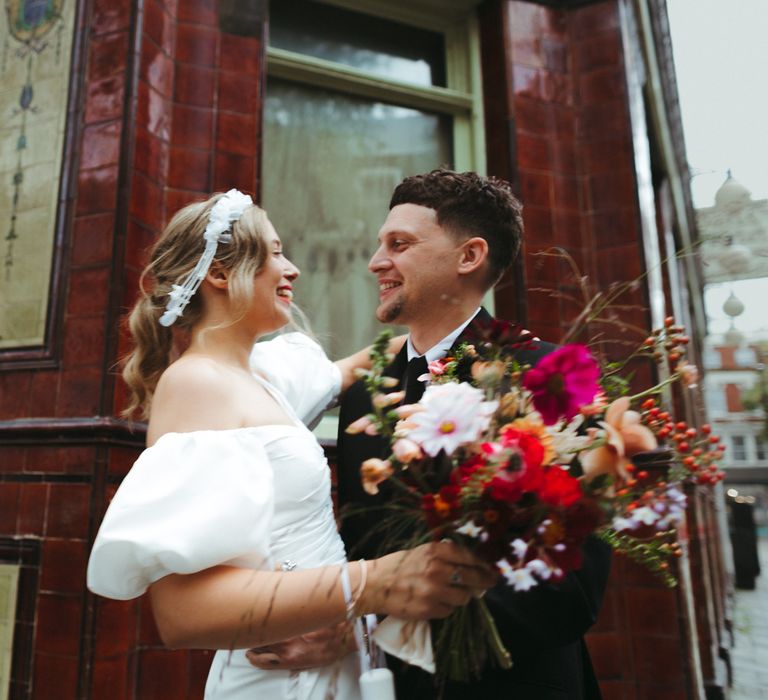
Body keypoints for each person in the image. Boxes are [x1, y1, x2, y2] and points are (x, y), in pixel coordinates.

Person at [86, 189, 497, 700]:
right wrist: (372, 584)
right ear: (219, 275)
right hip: (281, 675)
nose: (293, 268)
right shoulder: (196, 384)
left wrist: (462, 338)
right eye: (276, 251)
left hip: (344, 660)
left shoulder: (266, 376)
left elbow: (360, 363)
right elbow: (180, 616)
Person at [250, 170, 611, 699]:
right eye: (380, 245)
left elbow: (568, 594)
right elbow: (362, 545)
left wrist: (358, 629)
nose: (376, 263)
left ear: (469, 257)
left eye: (399, 244)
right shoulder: (365, 393)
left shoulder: (550, 381)